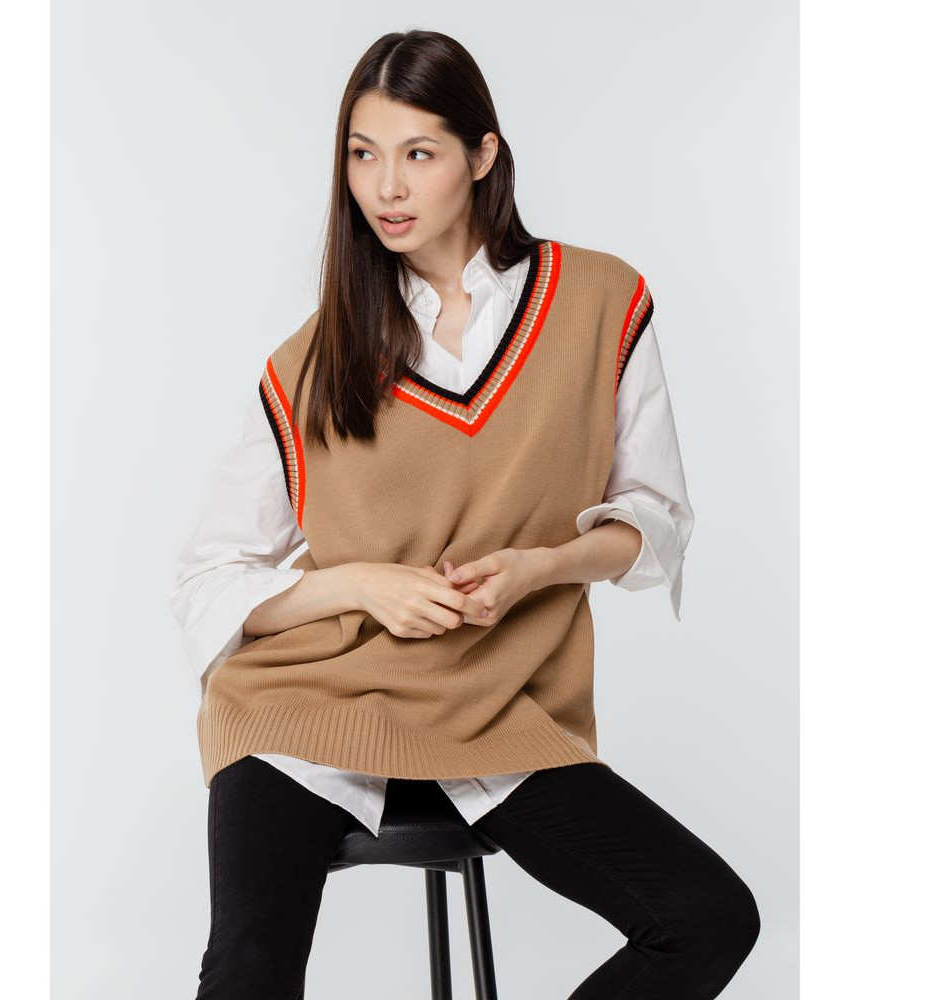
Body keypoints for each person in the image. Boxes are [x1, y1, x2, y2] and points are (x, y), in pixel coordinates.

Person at [171, 28, 760, 1000]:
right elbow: (210, 579)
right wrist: (362, 586)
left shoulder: (601, 302)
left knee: (706, 917)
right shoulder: (311, 360)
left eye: (418, 153)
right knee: (247, 967)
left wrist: (540, 568)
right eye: (362, 154)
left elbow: (651, 517)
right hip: (305, 707)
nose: (385, 187)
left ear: (483, 155)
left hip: (499, 709)